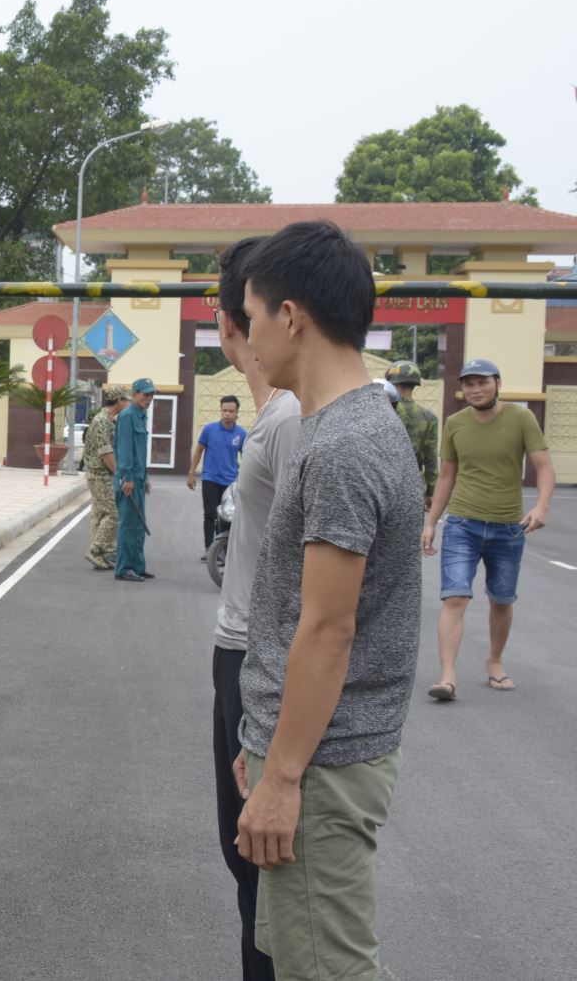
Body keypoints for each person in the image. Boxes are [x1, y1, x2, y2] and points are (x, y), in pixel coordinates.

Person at [233, 220, 423, 981]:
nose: (247, 338)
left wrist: (283, 776)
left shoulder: (344, 446)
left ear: (291, 317)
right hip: (309, 750)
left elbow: (327, 629)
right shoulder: (345, 426)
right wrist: (265, 740)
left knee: (330, 968)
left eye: (251, 317)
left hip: (322, 766)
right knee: (301, 957)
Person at [209, 236, 296, 981]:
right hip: (238, 649)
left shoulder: (290, 418)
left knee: (264, 866)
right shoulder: (270, 415)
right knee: (244, 863)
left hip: (261, 657)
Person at [421, 357, 554, 700]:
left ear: (497, 384)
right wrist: (431, 522)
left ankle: (494, 661)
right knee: (455, 597)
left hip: (508, 527)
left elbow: (543, 466)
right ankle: (448, 677)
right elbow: (447, 476)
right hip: (462, 524)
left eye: (483, 382)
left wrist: (541, 506)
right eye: (469, 384)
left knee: (502, 600)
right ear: (462, 390)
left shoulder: (522, 419)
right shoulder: (455, 424)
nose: (476, 389)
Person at [189, 394, 248, 556]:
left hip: (230, 482)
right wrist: (191, 473)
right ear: (220, 411)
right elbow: (198, 451)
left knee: (227, 516)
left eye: (231, 411)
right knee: (210, 514)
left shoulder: (241, 434)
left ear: (237, 413)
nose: (227, 414)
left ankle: (223, 550)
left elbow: (247, 457)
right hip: (210, 478)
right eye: (224, 410)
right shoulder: (209, 430)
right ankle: (209, 549)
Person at [113, 377, 156, 582]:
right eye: (146, 394)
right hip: (128, 480)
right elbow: (124, 450)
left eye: (151, 394)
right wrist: (128, 478)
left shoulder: (141, 416)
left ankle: (138, 566)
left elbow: (140, 452)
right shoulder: (128, 416)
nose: (149, 398)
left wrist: (144, 478)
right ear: (135, 394)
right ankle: (124, 568)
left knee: (138, 525)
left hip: (138, 479)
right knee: (128, 526)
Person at [82, 386, 128, 571]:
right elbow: (105, 452)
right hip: (100, 474)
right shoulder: (102, 421)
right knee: (114, 513)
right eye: (126, 399)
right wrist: (119, 474)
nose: (128, 403)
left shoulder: (108, 419)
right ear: (119, 400)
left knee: (100, 514)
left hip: (100, 474)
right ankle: (95, 550)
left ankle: (101, 556)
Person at [385, 360, 438, 510]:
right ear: (415, 384)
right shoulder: (429, 417)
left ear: (390, 382)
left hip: (383, 481)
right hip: (413, 484)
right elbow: (431, 459)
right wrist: (431, 492)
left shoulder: (382, 411)